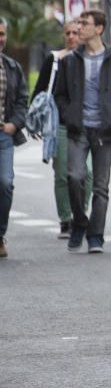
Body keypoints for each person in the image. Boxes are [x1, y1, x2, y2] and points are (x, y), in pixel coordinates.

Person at [53, 9, 111, 253]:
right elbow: (60, 95)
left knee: (100, 186)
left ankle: (96, 235)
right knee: (75, 177)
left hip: (104, 132)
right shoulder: (69, 61)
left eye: (84, 23)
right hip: (78, 129)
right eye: (78, 23)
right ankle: (79, 222)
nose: (79, 28)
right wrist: (69, 115)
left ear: (99, 28)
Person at [34, 20, 92, 237]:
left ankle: (80, 215)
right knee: (62, 175)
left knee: (88, 173)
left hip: (87, 124)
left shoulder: (91, 59)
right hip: (60, 124)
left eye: (76, 32)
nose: (71, 37)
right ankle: (66, 219)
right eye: (67, 33)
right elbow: (40, 90)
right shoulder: (55, 59)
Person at [0, 17, 29, 259]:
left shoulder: (11, 67)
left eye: (2, 34)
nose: (0, 38)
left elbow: (22, 101)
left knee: (5, 183)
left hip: (3, 135)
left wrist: (14, 124)